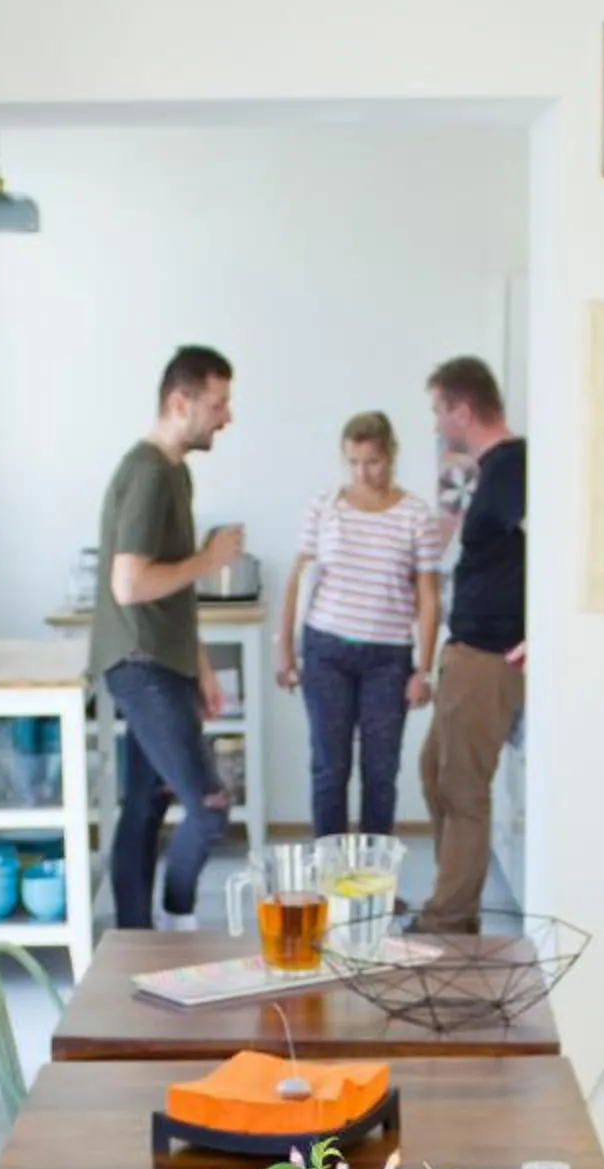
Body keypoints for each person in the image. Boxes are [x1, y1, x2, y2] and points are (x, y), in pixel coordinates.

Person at [89, 345, 242, 929]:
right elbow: (129, 584)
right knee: (209, 809)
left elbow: (170, 590)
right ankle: (178, 920)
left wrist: (198, 665)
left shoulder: (174, 470)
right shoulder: (150, 473)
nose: (226, 416)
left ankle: (133, 938)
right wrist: (209, 559)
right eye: (218, 403)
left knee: (145, 809)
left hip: (161, 659)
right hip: (140, 662)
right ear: (181, 402)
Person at [276, 411, 444, 839]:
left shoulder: (415, 515)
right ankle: (329, 884)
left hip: (387, 659)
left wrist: (423, 669)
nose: (362, 472)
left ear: (390, 455)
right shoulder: (325, 506)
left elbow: (428, 596)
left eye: (372, 461)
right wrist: (284, 650)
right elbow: (298, 578)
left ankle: (375, 888)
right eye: (353, 462)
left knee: (380, 773)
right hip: (325, 649)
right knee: (330, 769)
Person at [417, 355, 526, 934]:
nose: (437, 423)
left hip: (489, 658)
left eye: (439, 409)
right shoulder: (491, 469)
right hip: (466, 651)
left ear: (462, 408)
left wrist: (543, 632)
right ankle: (449, 896)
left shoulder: (513, 467)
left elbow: (551, 547)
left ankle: (450, 921)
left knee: (462, 788)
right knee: (433, 771)